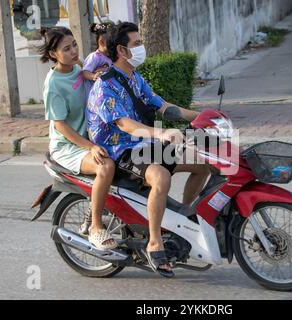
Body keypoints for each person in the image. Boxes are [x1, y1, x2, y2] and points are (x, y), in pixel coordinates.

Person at [87, 22, 210, 277]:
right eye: (137, 44)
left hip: (144, 145)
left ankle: (181, 222)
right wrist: (161, 132)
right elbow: (126, 125)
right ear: (122, 50)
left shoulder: (135, 78)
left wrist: (205, 118)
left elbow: (162, 107)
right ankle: (156, 242)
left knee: (203, 163)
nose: (142, 47)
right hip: (118, 150)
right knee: (160, 176)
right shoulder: (105, 85)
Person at [39, 27, 117, 251]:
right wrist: (91, 147)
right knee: (106, 166)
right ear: (53, 54)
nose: (74, 51)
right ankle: (95, 227)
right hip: (68, 146)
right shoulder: (53, 84)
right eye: (66, 48)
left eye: (74, 45)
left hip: (89, 136)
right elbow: (60, 125)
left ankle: (97, 209)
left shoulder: (79, 64)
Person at [82, 22, 115, 97]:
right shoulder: (95, 57)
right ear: (102, 42)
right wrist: (94, 76)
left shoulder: (111, 57)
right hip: (94, 95)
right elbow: (85, 72)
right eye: (112, 43)